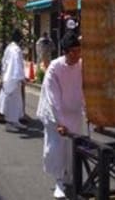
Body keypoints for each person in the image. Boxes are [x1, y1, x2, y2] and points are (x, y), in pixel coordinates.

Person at [36, 30, 84, 199]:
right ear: (65, 52)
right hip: (54, 114)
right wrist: (60, 122)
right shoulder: (55, 68)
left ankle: (68, 178)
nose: (77, 55)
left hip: (73, 112)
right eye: (74, 52)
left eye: (79, 51)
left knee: (71, 148)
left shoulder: (81, 65)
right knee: (56, 148)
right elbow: (53, 98)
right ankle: (59, 181)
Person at [0, 29, 27, 133]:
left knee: (16, 101)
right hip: (13, 78)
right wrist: (21, 77)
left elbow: (4, 62)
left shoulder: (10, 47)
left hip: (9, 77)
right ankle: (9, 124)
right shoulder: (16, 49)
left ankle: (15, 120)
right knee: (12, 101)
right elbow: (16, 65)